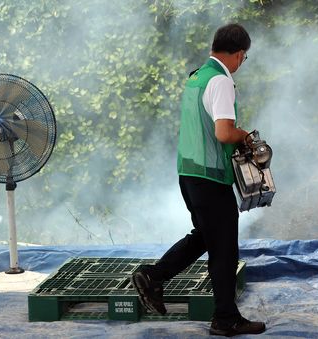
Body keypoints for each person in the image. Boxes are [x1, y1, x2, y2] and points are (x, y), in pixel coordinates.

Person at [131, 23, 266, 337]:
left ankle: (152, 277)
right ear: (239, 54)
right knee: (224, 249)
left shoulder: (196, 77)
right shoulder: (221, 81)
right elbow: (223, 133)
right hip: (210, 177)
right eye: (244, 58)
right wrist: (245, 135)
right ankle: (225, 318)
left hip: (189, 173)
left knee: (206, 236)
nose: (241, 64)